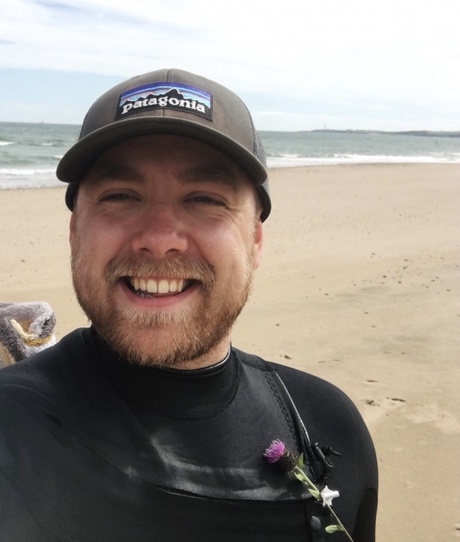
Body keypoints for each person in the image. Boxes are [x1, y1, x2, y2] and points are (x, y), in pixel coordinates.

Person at [0, 69, 378, 541]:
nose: (159, 240)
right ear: (76, 231)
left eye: (204, 198)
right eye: (120, 196)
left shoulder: (327, 426)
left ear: (255, 239)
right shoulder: (11, 425)